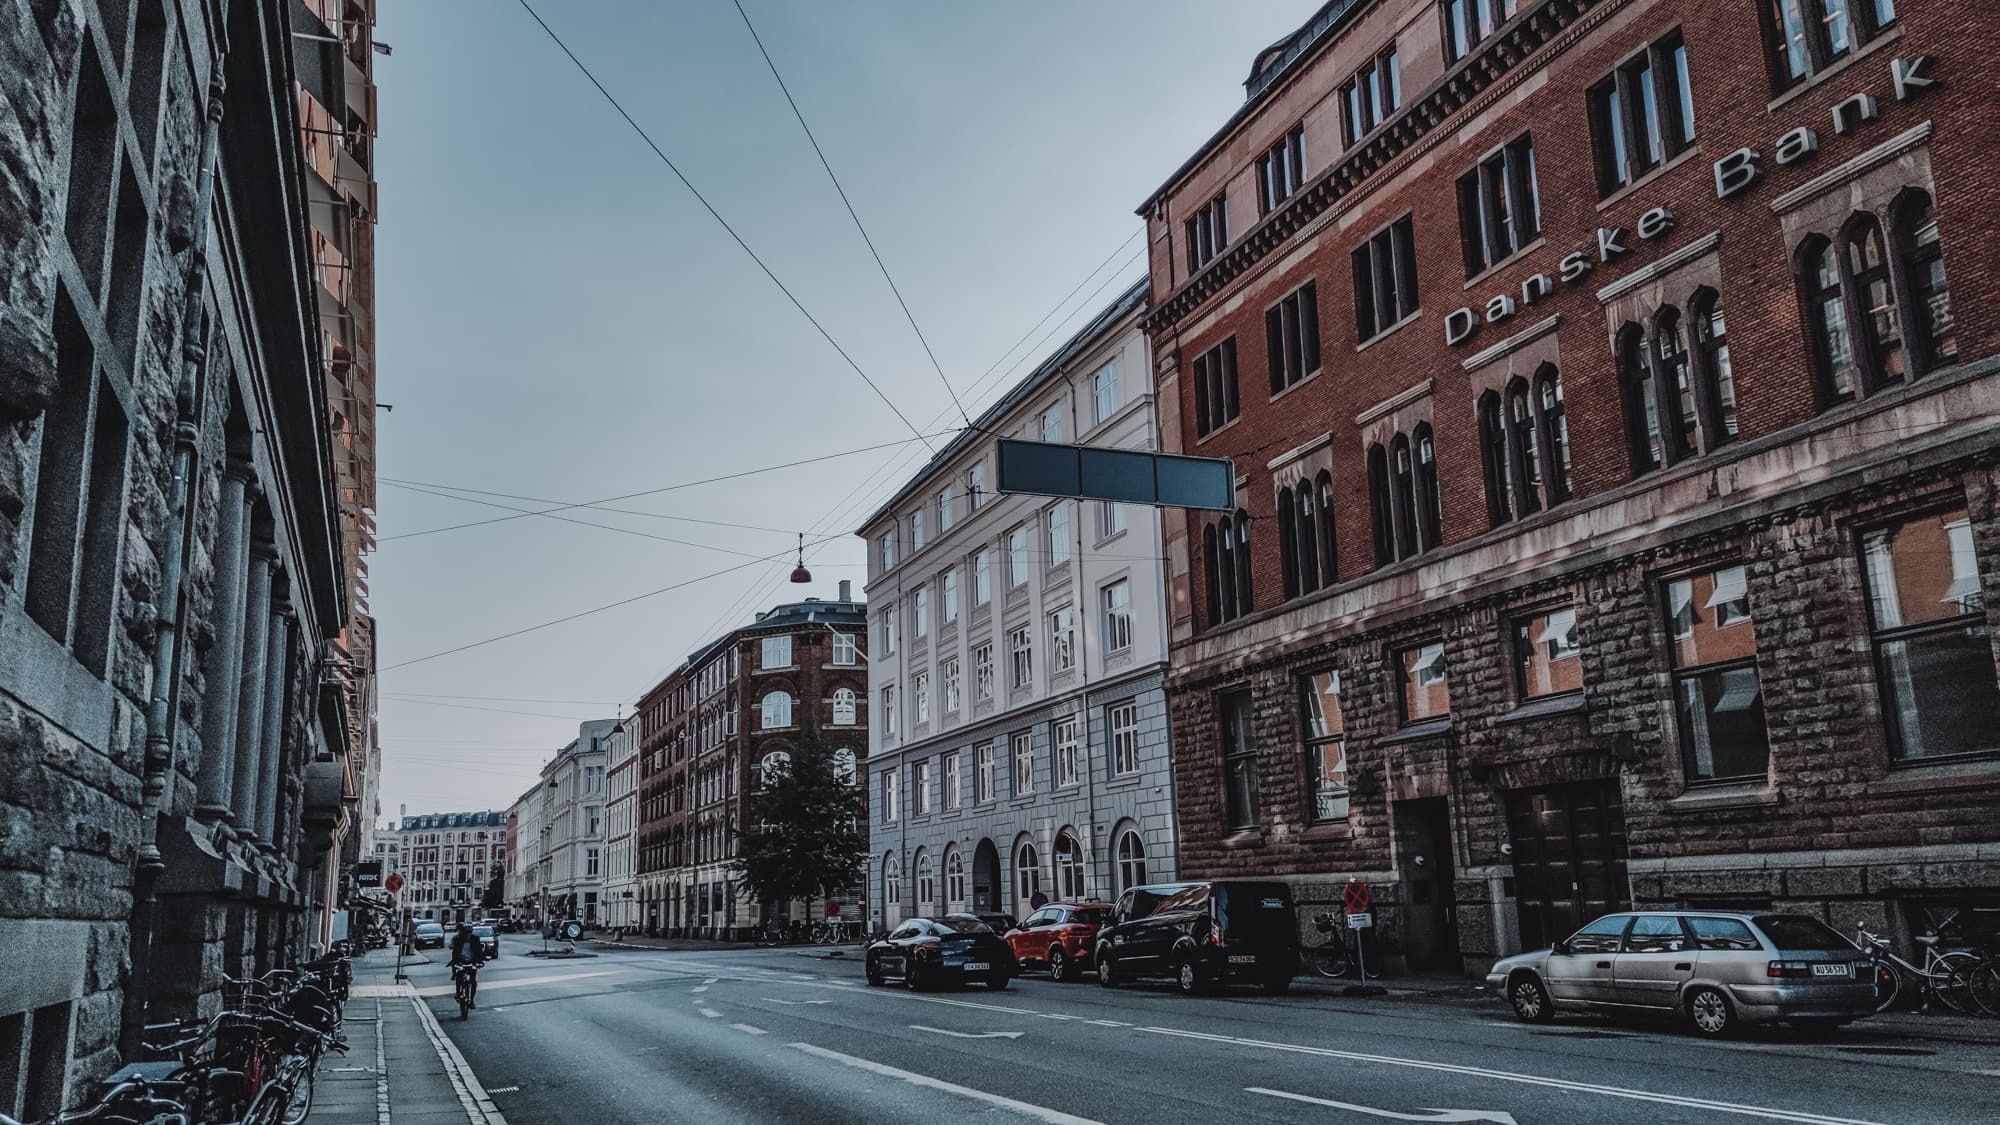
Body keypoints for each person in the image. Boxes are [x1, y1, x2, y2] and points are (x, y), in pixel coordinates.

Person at [449, 922, 486, 1007]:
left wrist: (480, 962)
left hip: (472, 961)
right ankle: (458, 994)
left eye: (470, 933)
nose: (468, 935)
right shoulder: (458, 939)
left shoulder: (475, 939)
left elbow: (479, 951)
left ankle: (472, 1000)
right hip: (460, 961)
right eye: (466, 933)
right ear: (463, 932)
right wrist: (455, 963)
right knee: (459, 978)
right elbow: (454, 950)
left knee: (473, 981)